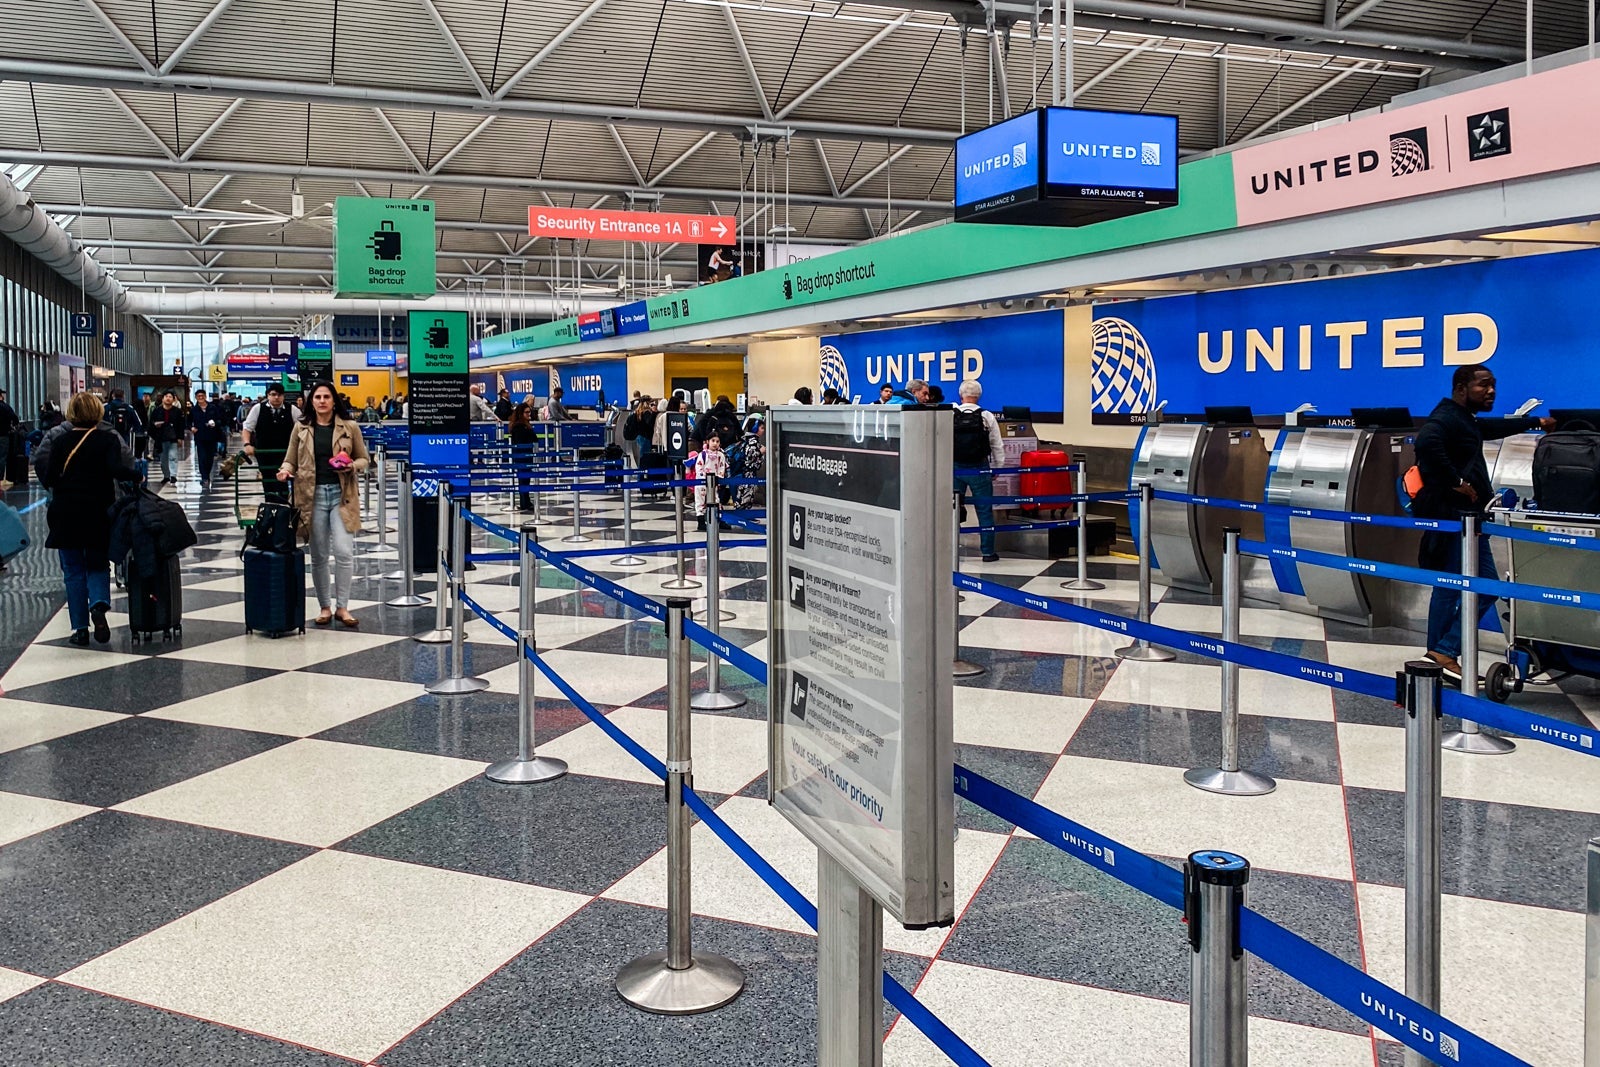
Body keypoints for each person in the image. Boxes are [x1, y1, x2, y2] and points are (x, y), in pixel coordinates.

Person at [1413, 366, 1555, 681]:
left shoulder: (1463, 419)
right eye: (1484, 385)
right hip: (1458, 519)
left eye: (1493, 385)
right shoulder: (1447, 418)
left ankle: (1435, 658)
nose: (1491, 391)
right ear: (1461, 387)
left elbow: (1485, 430)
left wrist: (1533, 421)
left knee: (1448, 589)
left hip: (1457, 518)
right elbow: (1426, 443)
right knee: (1488, 586)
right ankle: (1445, 651)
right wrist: (1457, 481)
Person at [41, 392, 139, 646]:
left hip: (66, 511)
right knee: (97, 563)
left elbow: (49, 476)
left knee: (72, 570)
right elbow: (118, 470)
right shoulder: (108, 439)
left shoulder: (60, 441)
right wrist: (136, 475)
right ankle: (98, 603)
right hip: (98, 510)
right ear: (98, 411)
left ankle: (80, 629)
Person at [278, 382, 370, 628]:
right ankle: (325, 606)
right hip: (312, 497)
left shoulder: (349, 427)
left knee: (343, 551)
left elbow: (364, 459)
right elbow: (290, 460)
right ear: (311, 401)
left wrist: (352, 465)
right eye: (317, 397)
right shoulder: (301, 427)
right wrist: (285, 471)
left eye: (326, 397)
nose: (321, 401)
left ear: (333, 400)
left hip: (342, 496)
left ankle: (343, 606)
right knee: (318, 555)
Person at [953, 380, 1007, 564]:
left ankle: (948, 549)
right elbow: (997, 445)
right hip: (979, 468)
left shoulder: (951, 414)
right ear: (979, 395)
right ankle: (987, 552)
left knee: (950, 509)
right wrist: (997, 468)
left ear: (961, 395)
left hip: (955, 468)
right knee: (984, 511)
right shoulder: (987, 416)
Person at [242, 382, 300, 504]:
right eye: (273, 394)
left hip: (286, 453)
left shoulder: (292, 410)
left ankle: (283, 509)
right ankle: (270, 508)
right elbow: (247, 428)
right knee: (268, 481)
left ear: (283, 396)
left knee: (283, 481)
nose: (276, 397)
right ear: (268, 395)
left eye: (279, 395)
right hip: (264, 453)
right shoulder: (258, 409)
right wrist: (247, 444)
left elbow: (303, 428)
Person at [189, 391, 225, 490]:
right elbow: (188, 422)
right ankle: (204, 477)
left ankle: (207, 473)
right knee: (202, 457)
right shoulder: (194, 410)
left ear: (205, 397)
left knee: (210, 457)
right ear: (196, 397)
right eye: (198, 396)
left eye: (202, 396)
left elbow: (220, 420)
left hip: (212, 436)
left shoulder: (213, 408)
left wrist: (215, 423)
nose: (200, 397)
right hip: (200, 436)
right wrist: (191, 428)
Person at [509, 400, 539, 511]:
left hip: (527, 456)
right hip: (522, 457)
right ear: (521, 413)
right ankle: (524, 502)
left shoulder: (524, 425)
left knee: (525, 480)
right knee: (523, 480)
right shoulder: (519, 427)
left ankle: (526, 501)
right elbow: (521, 442)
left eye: (529, 412)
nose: (529, 414)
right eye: (527, 412)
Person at [104, 387, 144, 452]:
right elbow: (139, 423)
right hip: (125, 437)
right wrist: (131, 430)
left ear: (113, 396)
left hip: (109, 437)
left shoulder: (106, 407)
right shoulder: (129, 408)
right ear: (123, 396)